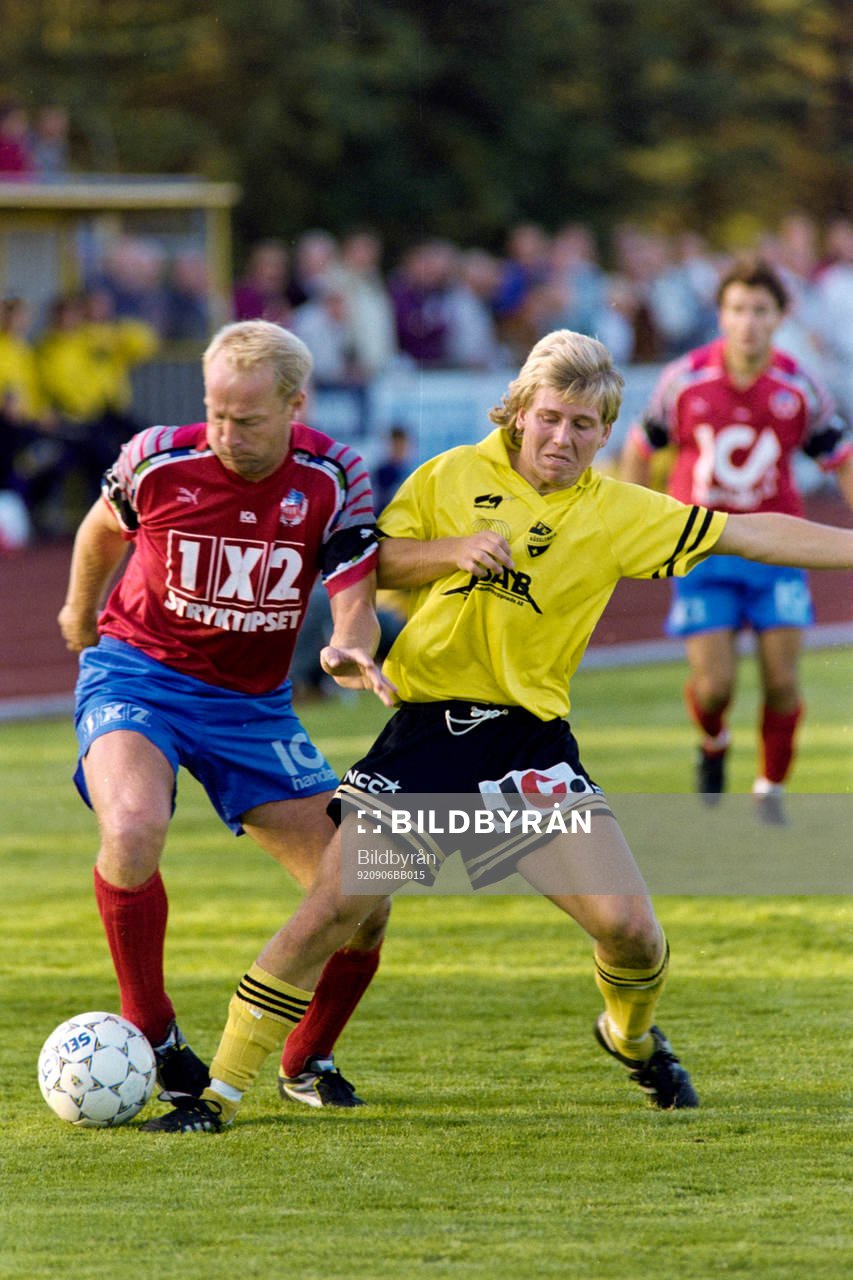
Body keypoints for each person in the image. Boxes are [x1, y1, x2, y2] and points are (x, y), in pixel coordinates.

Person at [143, 328, 853, 1133]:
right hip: (429, 736)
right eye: (550, 417)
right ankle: (216, 1095)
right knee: (333, 908)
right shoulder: (450, 476)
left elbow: (748, 530)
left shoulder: (616, 511)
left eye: (584, 426)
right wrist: (450, 554)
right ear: (518, 411)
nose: (563, 438)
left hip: (527, 746)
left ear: (605, 432)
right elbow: (367, 560)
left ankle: (628, 1036)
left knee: (630, 933)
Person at [58, 320, 395, 1111]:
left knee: (366, 897)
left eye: (245, 420)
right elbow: (102, 527)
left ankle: (305, 1061)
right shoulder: (157, 458)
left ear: (294, 405)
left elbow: (354, 598)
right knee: (133, 827)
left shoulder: (333, 474)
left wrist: (348, 645)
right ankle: (153, 1029)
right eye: (214, 412)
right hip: (139, 675)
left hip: (252, 710)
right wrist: (80, 609)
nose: (224, 434)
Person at [621, 256, 853, 824]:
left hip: (777, 549)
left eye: (760, 310)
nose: (748, 322)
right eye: (737, 309)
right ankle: (714, 740)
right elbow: (640, 444)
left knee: (781, 680)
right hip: (704, 550)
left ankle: (769, 790)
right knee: (716, 684)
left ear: (781, 316)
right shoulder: (687, 379)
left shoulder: (798, 386)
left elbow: (840, 459)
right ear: (721, 314)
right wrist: (630, 516)